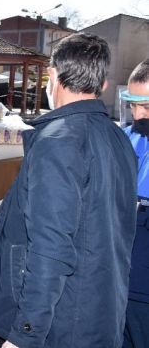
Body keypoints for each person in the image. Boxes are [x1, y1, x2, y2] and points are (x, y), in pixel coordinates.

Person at [0, 33, 137, 348]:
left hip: (52, 322)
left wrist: (25, 333)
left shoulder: (58, 142)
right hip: (96, 312)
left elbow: (51, 247)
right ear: (102, 85)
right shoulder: (118, 140)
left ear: (52, 76)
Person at [119, 59, 149, 348]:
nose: (138, 114)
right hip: (121, 275)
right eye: (132, 104)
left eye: (147, 106)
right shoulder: (126, 137)